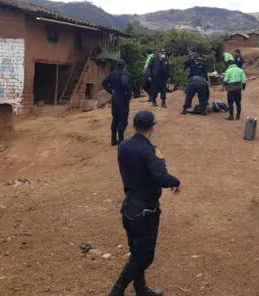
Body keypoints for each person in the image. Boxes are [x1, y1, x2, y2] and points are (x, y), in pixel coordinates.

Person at [108, 110, 181, 296]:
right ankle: (116, 291)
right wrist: (176, 181)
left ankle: (141, 289)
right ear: (152, 127)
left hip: (129, 208)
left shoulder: (123, 146)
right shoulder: (150, 151)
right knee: (144, 257)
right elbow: (162, 177)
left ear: (134, 126)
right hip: (145, 212)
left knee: (136, 253)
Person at [102, 60, 132, 146]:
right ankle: (121, 140)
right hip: (122, 97)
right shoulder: (123, 74)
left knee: (115, 118)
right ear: (124, 66)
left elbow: (104, 83)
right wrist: (129, 95)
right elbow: (125, 83)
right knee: (122, 118)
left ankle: (113, 139)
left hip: (114, 97)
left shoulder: (112, 73)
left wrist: (111, 90)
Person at [222, 52, 247, 121]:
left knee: (230, 103)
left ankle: (231, 116)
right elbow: (244, 80)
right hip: (238, 89)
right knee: (238, 103)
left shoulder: (228, 70)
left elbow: (225, 80)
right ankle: (238, 117)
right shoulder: (240, 70)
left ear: (229, 64)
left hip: (230, 89)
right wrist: (243, 87)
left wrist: (223, 87)